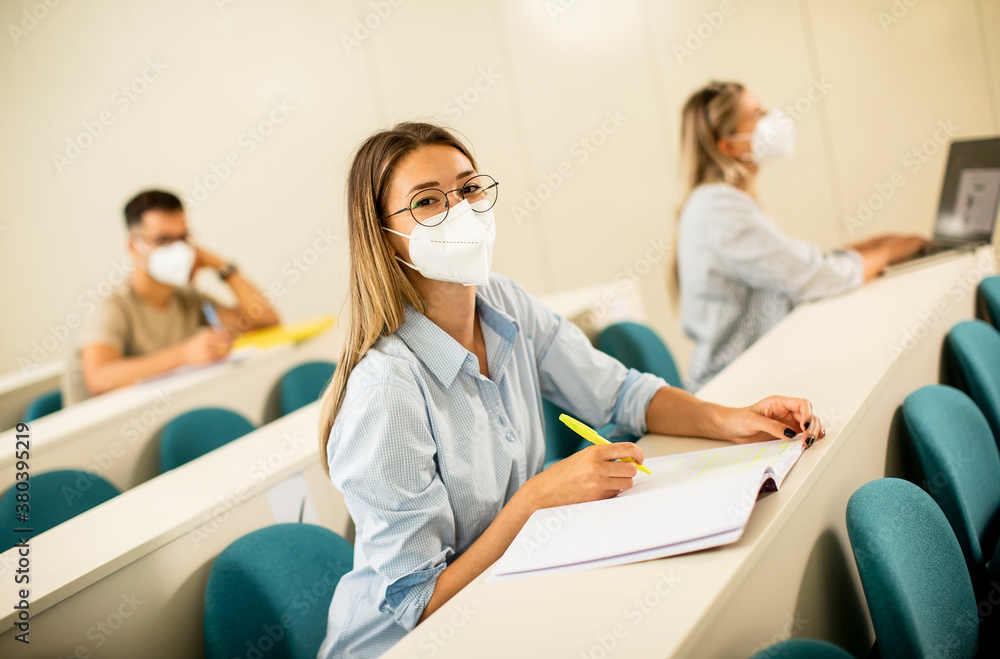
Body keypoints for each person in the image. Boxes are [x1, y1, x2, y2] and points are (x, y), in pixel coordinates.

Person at [316, 122, 826, 658]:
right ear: (383, 235)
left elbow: (621, 393)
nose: (460, 211)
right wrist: (533, 501)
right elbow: (418, 603)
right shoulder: (385, 391)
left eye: (468, 189)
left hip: (500, 606)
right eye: (426, 201)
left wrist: (731, 418)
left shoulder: (504, 303)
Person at [675, 81, 927, 391]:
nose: (771, 118)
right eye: (757, 114)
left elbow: (796, 267)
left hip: (753, 371)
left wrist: (873, 246)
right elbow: (815, 278)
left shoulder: (721, 201)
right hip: (731, 385)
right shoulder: (721, 208)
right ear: (728, 146)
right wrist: (887, 252)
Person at [64, 189, 280, 403]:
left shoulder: (188, 298)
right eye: (164, 240)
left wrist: (223, 267)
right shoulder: (111, 305)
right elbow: (100, 379)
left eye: (183, 238)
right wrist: (184, 355)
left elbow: (266, 323)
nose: (178, 250)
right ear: (133, 246)